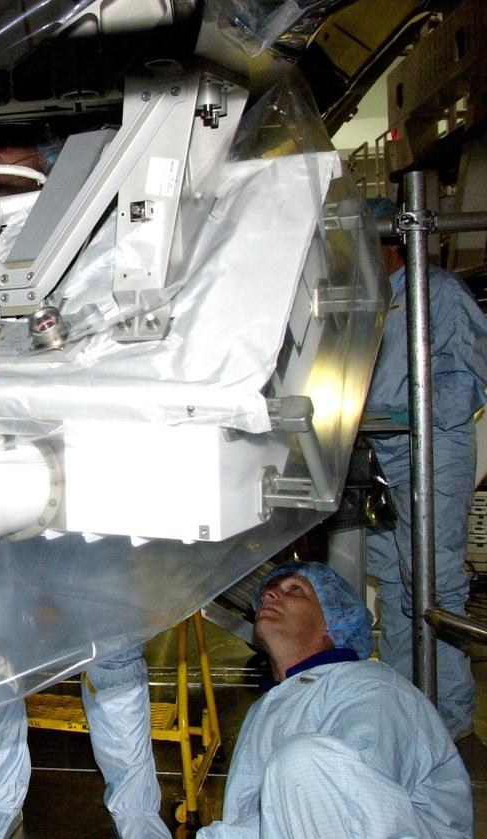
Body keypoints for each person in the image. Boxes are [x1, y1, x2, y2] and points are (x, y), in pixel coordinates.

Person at [0, 126, 170, 839]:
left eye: (18, 169)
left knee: (114, 658)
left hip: (84, 500)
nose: (9, 184)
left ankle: (137, 817)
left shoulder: (91, 252)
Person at [197, 561, 471, 837]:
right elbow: (267, 819)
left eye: (295, 589)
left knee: (302, 762)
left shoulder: (371, 687)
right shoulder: (267, 707)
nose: (270, 595)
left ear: (333, 623)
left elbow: (339, 800)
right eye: (267, 591)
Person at [364, 196, 487, 741]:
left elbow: (464, 385)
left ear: (392, 246)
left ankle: (449, 719)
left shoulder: (437, 294)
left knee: (432, 586)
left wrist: (401, 413)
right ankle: (403, 711)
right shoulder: (365, 299)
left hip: (432, 449)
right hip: (379, 451)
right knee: (391, 582)